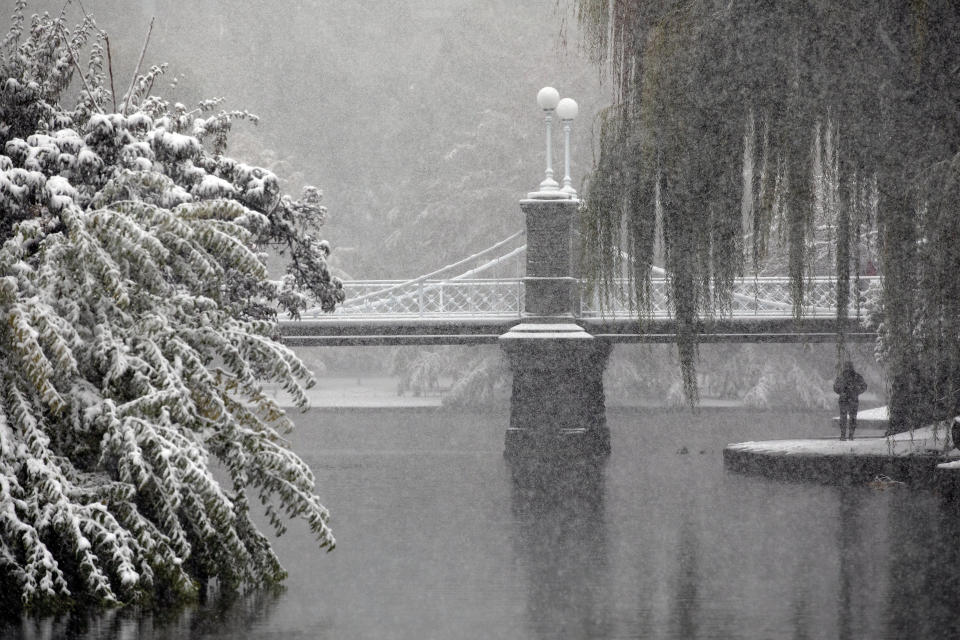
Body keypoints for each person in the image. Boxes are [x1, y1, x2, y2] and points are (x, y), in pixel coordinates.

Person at [834, 361, 867, 440]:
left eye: (848, 367)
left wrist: (842, 392)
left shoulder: (842, 376)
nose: (848, 369)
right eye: (847, 367)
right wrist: (856, 392)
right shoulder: (856, 376)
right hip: (850, 399)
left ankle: (845, 435)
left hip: (847, 399)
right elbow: (864, 386)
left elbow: (835, 387)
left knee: (846, 418)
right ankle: (849, 435)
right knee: (850, 418)